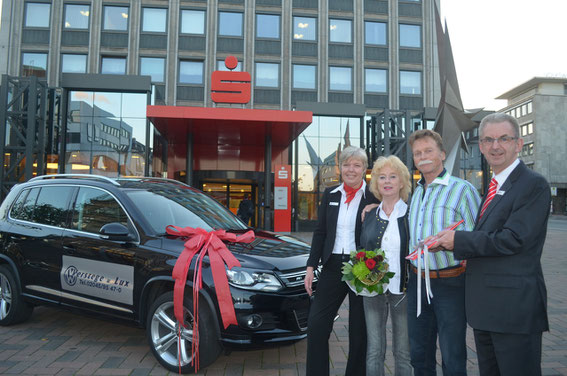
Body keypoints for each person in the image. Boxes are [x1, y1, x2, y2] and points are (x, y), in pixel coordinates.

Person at [432, 113, 550, 376]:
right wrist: (448, 241)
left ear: (518, 144)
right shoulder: (493, 186)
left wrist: (458, 240)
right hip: (486, 310)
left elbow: (513, 239)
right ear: (481, 146)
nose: (496, 146)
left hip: (513, 311)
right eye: (488, 140)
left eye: (503, 139)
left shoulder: (533, 185)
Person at [407, 129, 481, 376]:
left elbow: (476, 238)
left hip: (450, 283)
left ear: (442, 153)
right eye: (418, 153)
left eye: (428, 150)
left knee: (452, 355)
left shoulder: (463, 190)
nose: (423, 156)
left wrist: (452, 243)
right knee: (419, 353)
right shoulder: (416, 193)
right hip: (418, 283)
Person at [304, 146, 378, 376]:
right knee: (316, 326)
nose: (351, 169)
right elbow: (320, 232)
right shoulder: (331, 194)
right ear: (340, 167)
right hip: (332, 266)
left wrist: (378, 208)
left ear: (364, 169)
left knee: (359, 331)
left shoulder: (374, 196)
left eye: (357, 165)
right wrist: (310, 266)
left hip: (362, 267)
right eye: (347, 164)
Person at [360, 155, 412, 376]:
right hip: (374, 289)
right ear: (376, 184)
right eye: (382, 177)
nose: (387, 181)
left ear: (402, 182)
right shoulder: (369, 214)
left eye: (393, 176)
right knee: (374, 349)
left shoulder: (412, 213)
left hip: (404, 290)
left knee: (403, 351)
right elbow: (361, 251)